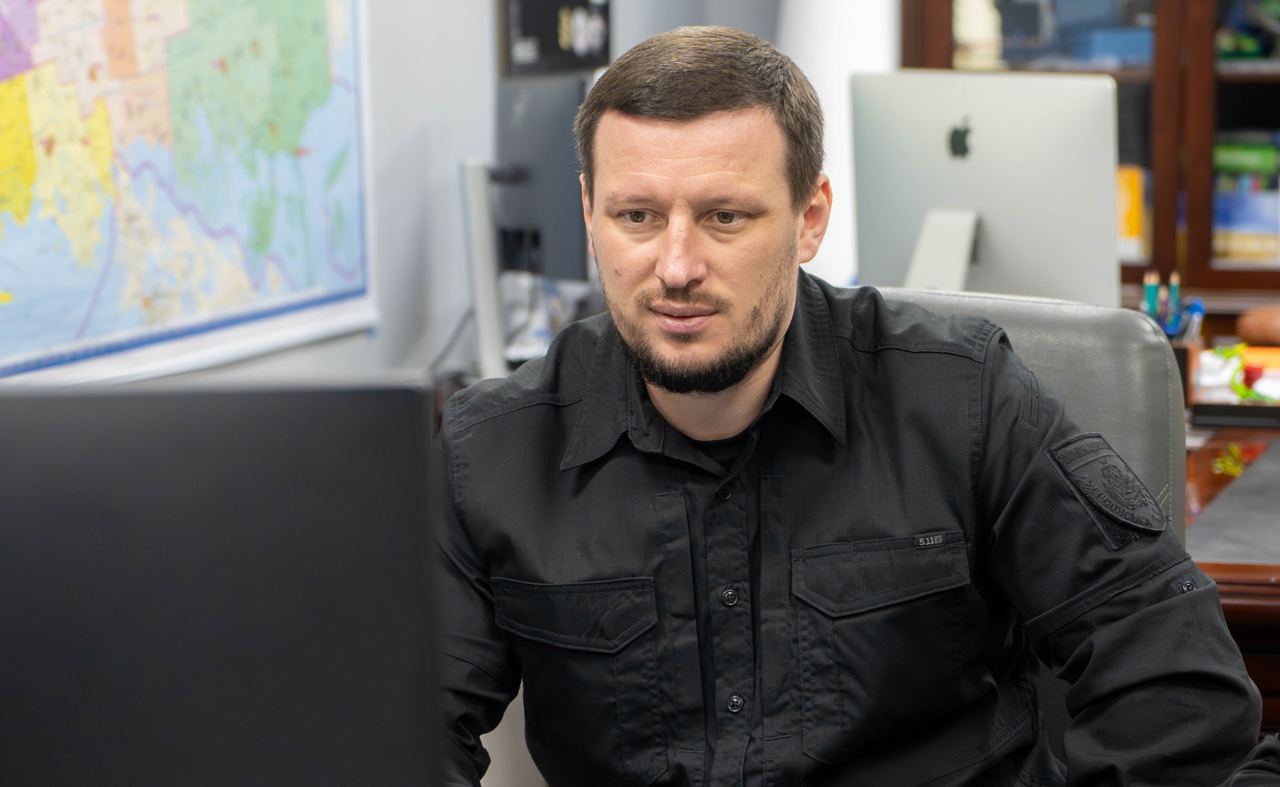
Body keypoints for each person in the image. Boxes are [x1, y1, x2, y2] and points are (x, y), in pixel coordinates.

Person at [436, 26, 1262, 786]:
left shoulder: (964, 400)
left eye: (725, 217)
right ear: (590, 214)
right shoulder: (491, 453)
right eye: (637, 216)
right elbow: (404, 739)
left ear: (810, 219)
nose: (676, 266)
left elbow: (1180, 690)